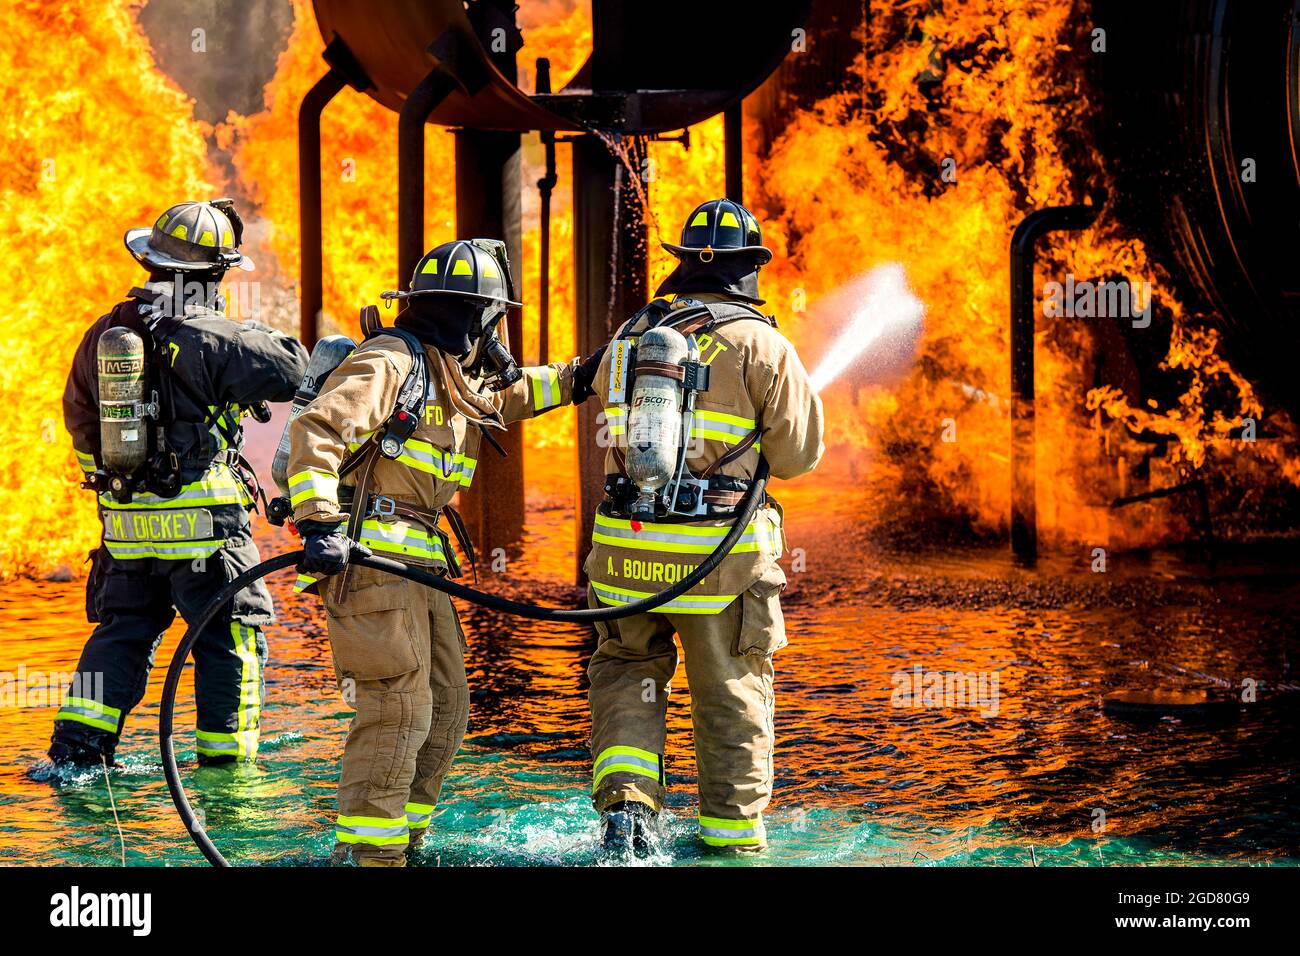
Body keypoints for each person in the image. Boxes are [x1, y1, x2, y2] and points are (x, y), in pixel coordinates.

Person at [286, 238, 602, 866]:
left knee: (448, 705)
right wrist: (319, 522)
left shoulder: (444, 372)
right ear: (471, 314)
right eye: (492, 317)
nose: (495, 333)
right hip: (369, 562)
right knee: (398, 706)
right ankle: (373, 858)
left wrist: (578, 379)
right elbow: (316, 429)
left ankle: (406, 840)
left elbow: (499, 402)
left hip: (420, 565)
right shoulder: (390, 361)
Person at [583, 198, 824, 854]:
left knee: (626, 672)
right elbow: (799, 457)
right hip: (718, 561)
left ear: (684, 265)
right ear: (750, 272)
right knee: (731, 692)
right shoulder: (761, 343)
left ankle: (627, 813)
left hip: (626, 556)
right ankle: (730, 838)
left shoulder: (632, 334)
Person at [52, 199, 308, 769]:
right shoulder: (208, 334)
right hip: (204, 532)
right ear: (213, 274)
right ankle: (226, 772)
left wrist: (122, 483)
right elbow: (293, 367)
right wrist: (244, 323)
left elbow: (78, 420)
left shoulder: (105, 333)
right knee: (230, 635)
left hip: (125, 529)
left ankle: (76, 754)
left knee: (124, 631)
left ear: (152, 263)